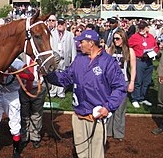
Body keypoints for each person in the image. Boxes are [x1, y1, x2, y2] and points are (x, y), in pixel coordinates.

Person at [45, 30, 127, 158]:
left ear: (91, 43)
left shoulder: (108, 62)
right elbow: (65, 78)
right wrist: (48, 75)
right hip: (78, 115)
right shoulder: (79, 59)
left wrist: (108, 107)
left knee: (96, 154)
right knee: (81, 153)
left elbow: (120, 87)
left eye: (81, 42)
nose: (79, 45)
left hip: (97, 117)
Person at [0, 58, 34, 158]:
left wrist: (14, 70)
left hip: (12, 96)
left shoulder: (19, 63)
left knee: (15, 125)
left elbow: (30, 77)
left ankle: (16, 150)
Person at [106, 30, 136, 141]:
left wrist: (132, 82)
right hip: (110, 83)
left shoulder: (129, 51)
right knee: (109, 107)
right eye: (114, 38)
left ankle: (118, 133)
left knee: (120, 108)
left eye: (118, 38)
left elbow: (133, 68)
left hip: (123, 82)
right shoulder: (110, 50)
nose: (115, 41)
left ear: (123, 38)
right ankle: (108, 131)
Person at [128, 20, 159, 108]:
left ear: (147, 28)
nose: (141, 29)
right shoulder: (134, 37)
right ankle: (135, 98)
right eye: (140, 27)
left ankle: (142, 97)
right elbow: (128, 46)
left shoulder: (151, 37)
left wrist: (153, 53)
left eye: (143, 27)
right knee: (138, 80)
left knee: (147, 81)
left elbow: (156, 47)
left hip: (149, 60)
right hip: (139, 60)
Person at [19, 58, 46, 149]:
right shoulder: (21, 55)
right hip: (23, 88)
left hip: (38, 87)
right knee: (24, 113)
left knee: (37, 113)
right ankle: (24, 136)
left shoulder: (42, 54)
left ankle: (35, 137)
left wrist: (46, 70)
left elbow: (56, 58)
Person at [49, 18, 77, 98]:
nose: (60, 25)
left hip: (65, 59)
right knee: (54, 74)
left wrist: (73, 60)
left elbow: (73, 49)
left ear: (65, 25)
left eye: (62, 24)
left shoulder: (70, 35)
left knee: (63, 74)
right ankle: (53, 91)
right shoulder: (52, 33)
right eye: (59, 24)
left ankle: (61, 92)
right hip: (55, 59)